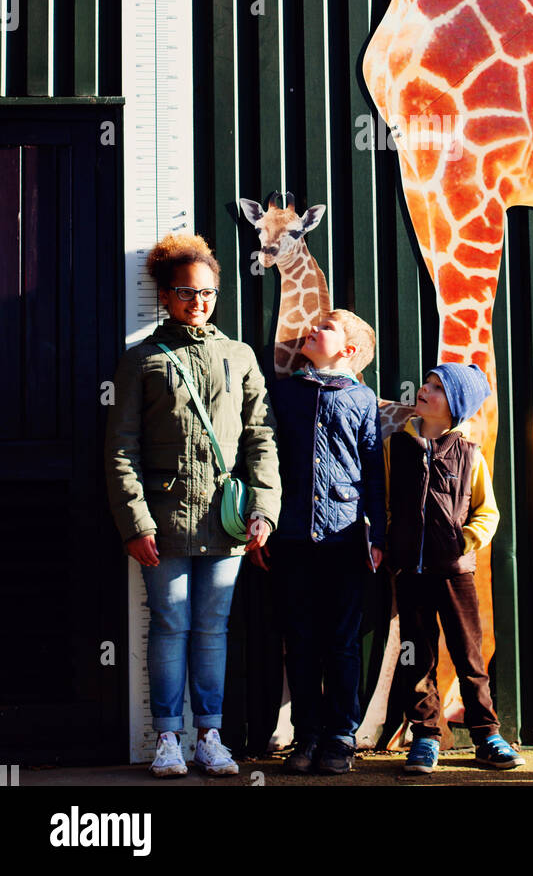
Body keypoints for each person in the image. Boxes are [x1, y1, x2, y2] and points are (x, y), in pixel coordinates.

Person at [105, 233, 281, 778]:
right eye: (185, 292)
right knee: (171, 623)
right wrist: (135, 521)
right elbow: (121, 447)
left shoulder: (239, 355)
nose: (198, 302)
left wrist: (265, 509)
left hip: (225, 519)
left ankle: (210, 735)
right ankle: (168, 739)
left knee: (213, 627)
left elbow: (261, 436)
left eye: (207, 293)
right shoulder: (141, 361)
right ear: (165, 295)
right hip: (163, 520)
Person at [252, 310, 386, 775]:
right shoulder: (285, 393)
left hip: (346, 538)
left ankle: (341, 736)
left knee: (343, 643)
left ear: (348, 351)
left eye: (326, 328)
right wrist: (265, 520)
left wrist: (379, 535)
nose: (312, 329)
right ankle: (306, 735)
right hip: (292, 537)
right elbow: (267, 459)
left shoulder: (362, 399)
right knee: (301, 639)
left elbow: (373, 467)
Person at [385, 362, 525, 774]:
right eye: (426, 383)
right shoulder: (397, 447)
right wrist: (393, 543)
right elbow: (388, 504)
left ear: (456, 407)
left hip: (456, 571)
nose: (424, 390)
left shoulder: (469, 454)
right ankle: (426, 737)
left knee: (469, 655)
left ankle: (486, 736)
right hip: (410, 572)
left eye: (437, 388)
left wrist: (465, 540)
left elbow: (488, 511)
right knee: (417, 657)